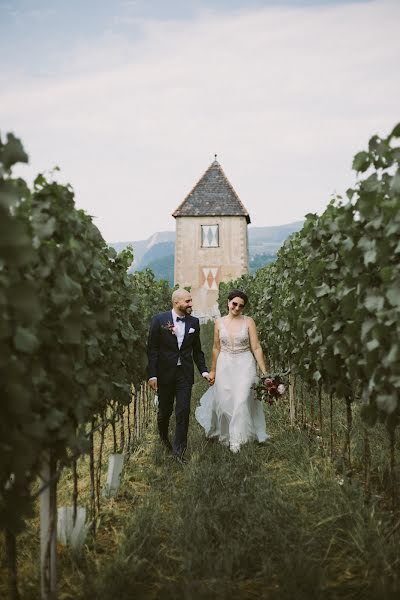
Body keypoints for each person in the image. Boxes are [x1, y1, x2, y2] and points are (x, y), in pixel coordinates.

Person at [195, 289, 268, 453]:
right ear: (228, 302)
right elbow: (216, 347)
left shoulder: (249, 322)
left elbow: (256, 347)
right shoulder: (219, 323)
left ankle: (237, 440)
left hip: (245, 363)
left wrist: (264, 371)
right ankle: (226, 434)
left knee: (242, 399)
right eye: (234, 304)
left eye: (241, 306)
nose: (236, 308)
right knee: (225, 400)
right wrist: (213, 370)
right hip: (225, 364)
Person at [147, 288, 209, 463]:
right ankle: (163, 438)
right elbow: (152, 350)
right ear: (176, 303)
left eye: (191, 300)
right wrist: (152, 375)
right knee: (164, 411)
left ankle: (179, 452)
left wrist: (203, 370)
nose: (190, 304)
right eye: (187, 301)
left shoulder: (194, 322)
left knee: (183, 411)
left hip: (184, 374)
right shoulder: (159, 320)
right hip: (164, 373)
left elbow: (197, 351)